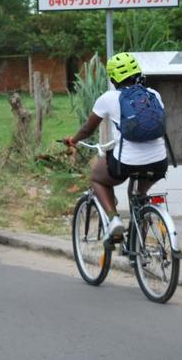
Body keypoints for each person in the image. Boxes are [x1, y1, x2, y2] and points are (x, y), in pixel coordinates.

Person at [62, 52, 168, 247]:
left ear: (112, 78)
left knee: (97, 177)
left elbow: (88, 129)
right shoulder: (154, 95)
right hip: (159, 161)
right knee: (139, 197)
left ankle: (114, 220)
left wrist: (73, 140)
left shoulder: (109, 98)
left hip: (126, 162)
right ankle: (138, 247)